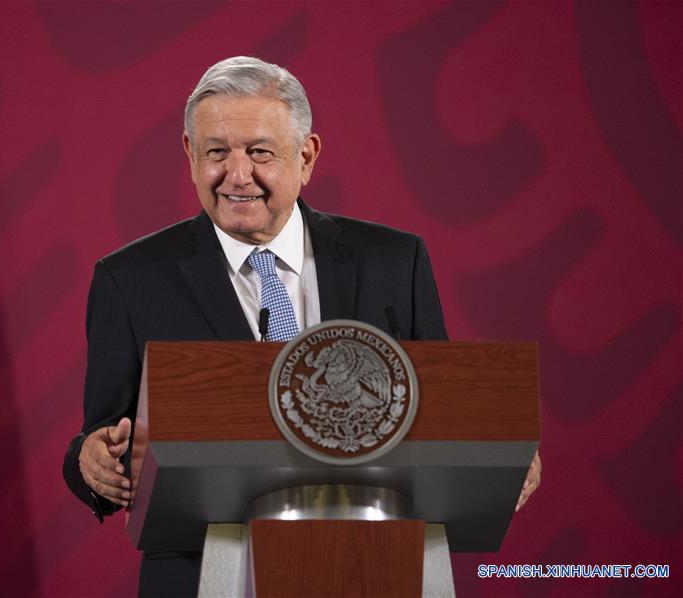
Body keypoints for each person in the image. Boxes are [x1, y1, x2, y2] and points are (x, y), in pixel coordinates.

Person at [63, 56, 541, 597]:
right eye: (217, 152)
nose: (236, 175)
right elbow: (104, 438)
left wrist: (496, 448)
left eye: (259, 152)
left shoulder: (393, 262)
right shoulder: (129, 280)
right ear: (191, 156)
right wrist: (91, 463)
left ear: (306, 155)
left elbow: (439, 409)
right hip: (203, 575)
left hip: (379, 565)